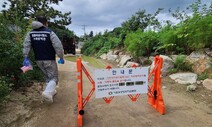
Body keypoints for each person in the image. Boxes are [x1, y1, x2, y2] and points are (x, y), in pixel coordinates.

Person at [23, 16, 65, 103]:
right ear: (45, 23)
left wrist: (25, 57)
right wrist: (61, 57)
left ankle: (51, 92)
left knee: (47, 76)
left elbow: (26, 46)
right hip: (49, 59)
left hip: (38, 60)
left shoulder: (30, 33)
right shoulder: (49, 33)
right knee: (54, 78)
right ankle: (47, 93)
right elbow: (58, 46)